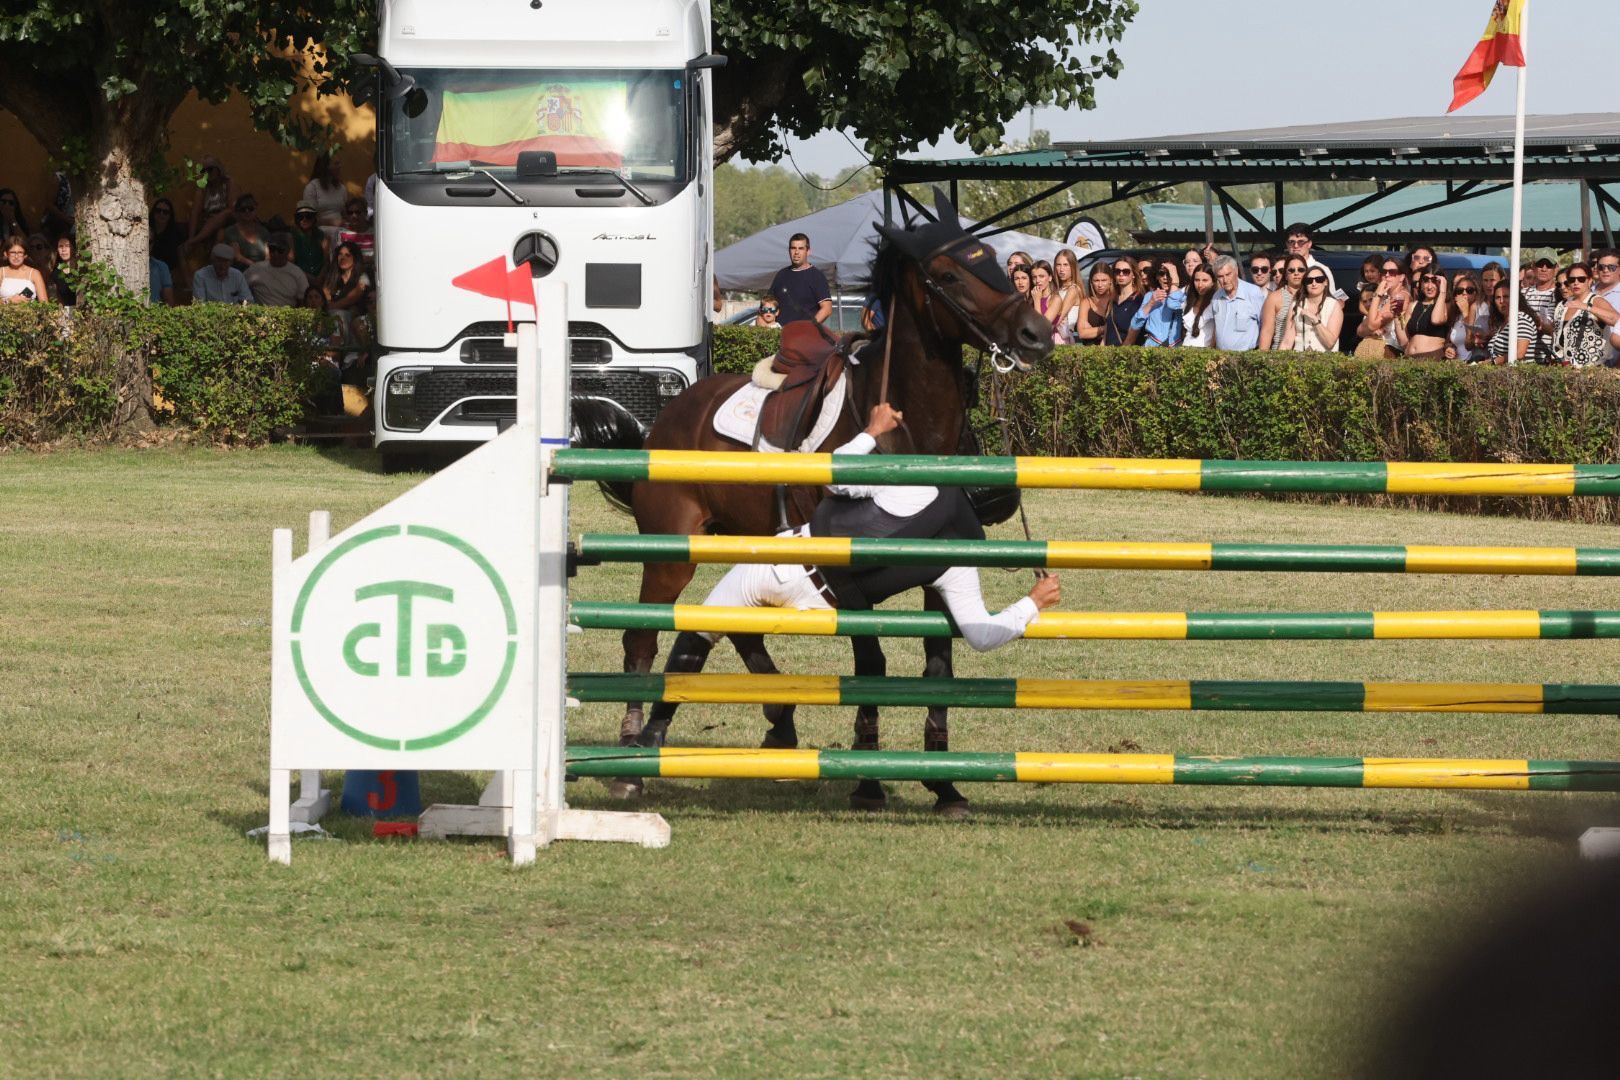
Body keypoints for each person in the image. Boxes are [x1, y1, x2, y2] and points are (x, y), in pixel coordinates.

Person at [631, 402, 1063, 751]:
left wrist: (871, 431)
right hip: (827, 605)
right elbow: (981, 635)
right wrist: (1033, 602)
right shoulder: (960, 556)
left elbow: (835, 475)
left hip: (790, 558)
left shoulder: (915, 480)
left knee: (698, 632)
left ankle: (655, 729)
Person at [1550, 263, 1616, 367]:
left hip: (1591, 371)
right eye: (1571, 280)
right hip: (1562, 369)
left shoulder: (1596, 300)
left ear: (1589, 281)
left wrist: (1587, 307)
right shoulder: (1562, 305)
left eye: (1581, 279)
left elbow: (1616, 320)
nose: (1576, 283)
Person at [767, 232, 832, 326]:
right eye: (793, 248)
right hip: (780, 334)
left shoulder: (816, 276)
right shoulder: (781, 275)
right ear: (789, 250)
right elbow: (767, 304)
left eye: (801, 248)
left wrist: (808, 328)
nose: (796, 252)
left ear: (808, 251)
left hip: (804, 336)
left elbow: (827, 309)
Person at [1280, 266, 1343, 353]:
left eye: (1319, 279)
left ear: (1325, 282)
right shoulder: (1296, 305)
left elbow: (1330, 343)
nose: (1314, 283)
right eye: (1309, 281)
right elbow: (1287, 342)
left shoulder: (1333, 305)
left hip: (1326, 361)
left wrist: (1315, 320)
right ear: (1305, 284)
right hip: (1299, 360)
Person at [1209, 255, 1266, 350]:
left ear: (1236, 272)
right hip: (1221, 357)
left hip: (1247, 357)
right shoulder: (1216, 297)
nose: (1225, 280)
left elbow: (1265, 326)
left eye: (1228, 274)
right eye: (1220, 276)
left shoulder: (1253, 293)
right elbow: (1216, 328)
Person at [1394, 268, 1453, 359]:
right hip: (1409, 358)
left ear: (1442, 283)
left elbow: (1436, 320)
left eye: (1434, 281)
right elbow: (1403, 342)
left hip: (1433, 358)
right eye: (1425, 281)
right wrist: (1396, 317)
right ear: (1420, 284)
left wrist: (1442, 292)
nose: (1429, 286)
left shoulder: (1446, 305)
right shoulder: (1413, 305)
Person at [1360, 258, 1412, 358]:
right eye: (1384, 272)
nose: (1387, 275)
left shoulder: (1401, 296)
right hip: (1374, 349)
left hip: (1390, 350)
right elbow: (1360, 330)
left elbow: (1371, 325)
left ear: (1401, 277)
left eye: (1392, 272)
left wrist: (1377, 295)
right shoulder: (1385, 297)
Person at [1128, 260, 1185, 347]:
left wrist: (1175, 283)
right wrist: (1151, 302)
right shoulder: (1150, 295)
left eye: (1169, 274)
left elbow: (1173, 304)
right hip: (1151, 347)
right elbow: (1135, 324)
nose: (1165, 277)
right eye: (1161, 273)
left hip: (1174, 348)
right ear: (1156, 276)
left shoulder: (1183, 294)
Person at [246, 233, 311, 308]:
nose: (276, 254)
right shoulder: (255, 269)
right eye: (272, 249)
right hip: (261, 316)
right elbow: (241, 289)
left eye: (280, 250)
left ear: (288, 251)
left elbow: (304, 300)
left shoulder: (297, 273)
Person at [187, 155, 235, 253]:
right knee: (220, 234)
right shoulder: (203, 186)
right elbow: (194, 213)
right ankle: (193, 241)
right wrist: (190, 236)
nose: (207, 173)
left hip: (229, 220)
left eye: (210, 169)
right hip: (209, 223)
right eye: (203, 171)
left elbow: (232, 209)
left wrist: (217, 217)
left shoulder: (229, 182)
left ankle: (195, 241)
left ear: (218, 169)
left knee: (225, 214)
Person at [1283, 223, 1343, 300]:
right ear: (1286, 244)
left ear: (1309, 244)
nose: (1296, 246)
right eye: (1291, 242)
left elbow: (1331, 299)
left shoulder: (1322, 269)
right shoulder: (1279, 268)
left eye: (1301, 242)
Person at [1485, 281, 1538, 365]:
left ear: (1515, 297)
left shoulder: (1521, 319)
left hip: (1519, 375)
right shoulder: (1504, 321)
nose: (1501, 301)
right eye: (1497, 297)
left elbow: (1519, 353)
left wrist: (1494, 362)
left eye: (1506, 296)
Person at [1260, 255, 1306, 349]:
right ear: (1285, 275)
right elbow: (1267, 332)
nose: (1296, 273)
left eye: (1300, 270)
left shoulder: (1313, 295)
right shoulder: (1274, 298)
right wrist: (1262, 360)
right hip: (1280, 355)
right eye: (1291, 270)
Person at [1340, 255, 1384, 353]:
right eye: (1366, 271)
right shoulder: (1364, 286)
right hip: (1370, 320)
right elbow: (1361, 307)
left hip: (1382, 319)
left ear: (1380, 271)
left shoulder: (1384, 287)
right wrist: (1371, 316)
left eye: (1372, 271)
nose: (1369, 274)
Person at [323, 240, 370, 329]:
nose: (342, 258)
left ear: (355, 258)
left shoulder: (363, 277)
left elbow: (351, 298)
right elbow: (325, 297)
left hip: (356, 320)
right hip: (333, 317)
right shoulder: (332, 277)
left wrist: (331, 307)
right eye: (340, 254)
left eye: (347, 255)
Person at [1445, 271, 1490, 362]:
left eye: (1469, 290)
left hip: (1475, 363)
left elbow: (1472, 342)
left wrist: (1466, 313)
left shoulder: (1482, 309)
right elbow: (1449, 341)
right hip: (1457, 364)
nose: (1464, 294)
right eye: (1460, 291)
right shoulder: (1456, 315)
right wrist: (1449, 348)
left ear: (1476, 293)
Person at [1522, 257, 1559, 362]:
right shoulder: (1522, 294)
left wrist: (1538, 324)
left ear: (1556, 268)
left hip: (1549, 359)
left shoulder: (1561, 294)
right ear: (1533, 266)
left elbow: (1559, 330)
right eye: (1540, 264)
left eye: (1549, 265)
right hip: (1523, 360)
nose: (1544, 269)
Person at [1588, 249, 1620, 364]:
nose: (1605, 270)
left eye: (1611, 267)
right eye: (1601, 267)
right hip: (1585, 363)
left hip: (1612, 365)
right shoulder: (1586, 291)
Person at [301, 153, 349, 228]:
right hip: (320, 233)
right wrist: (331, 222)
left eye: (339, 163)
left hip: (340, 231)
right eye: (336, 164)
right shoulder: (312, 188)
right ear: (326, 167)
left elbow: (345, 213)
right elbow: (308, 219)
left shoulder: (341, 188)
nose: (340, 166)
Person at [222, 194, 268, 269]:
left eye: (250, 208)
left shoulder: (263, 231)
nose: (247, 211)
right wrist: (256, 267)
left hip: (263, 270)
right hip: (241, 271)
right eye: (243, 209)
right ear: (237, 212)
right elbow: (237, 257)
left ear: (256, 209)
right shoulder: (231, 232)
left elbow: (268, 256)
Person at [1104, 256, 1142, 345]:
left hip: (1128, 354)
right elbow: (1108, 331)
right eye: (1117, 271)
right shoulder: (1112, 299)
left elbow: (1136, 331)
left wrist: (1123, 352)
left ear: (1133, 274)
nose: (1121, 274)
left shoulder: (1139, 299)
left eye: (1126, 271)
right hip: (1108, 353)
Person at [1074, 263, 1114, 345]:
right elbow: (1082, 333)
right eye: (1096, 281)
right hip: (1090, 351)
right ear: (1091, 282)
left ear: (1111, 280)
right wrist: (1105, 328)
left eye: (1104, 280)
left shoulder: (1116, 300)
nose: (1100, 285)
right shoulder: (1086, 302)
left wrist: (1092, 331)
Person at [0, 236, 48, 304]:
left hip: (30, 313)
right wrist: (9, 301)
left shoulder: (34, 273)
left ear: (25, 255)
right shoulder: (1, 272)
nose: (16, 256)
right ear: (6, 254)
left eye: (20, 252)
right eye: (13, 252)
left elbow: (45, 304)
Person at [148, 198, 188, 278]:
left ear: (170, 215)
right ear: (153, 212)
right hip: (149, 273)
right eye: (158, 210)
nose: (161, 214)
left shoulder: (176, 233)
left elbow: (181, 260)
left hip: (168, 275)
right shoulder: (145, 230)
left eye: (165, 212)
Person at [1181, 263, 1217, 347]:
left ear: (1213, 282)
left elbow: (1216, 334)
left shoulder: (1216, 302)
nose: (1200, 285)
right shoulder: (1188, 299)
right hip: (1184, 349)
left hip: (1205, 352)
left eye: (1205, 280)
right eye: (1197, 280)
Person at [290, 202, 328, 279]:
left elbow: (326, 262)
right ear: (296, 219)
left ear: (314, 218)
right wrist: (309, 277)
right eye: (300, 217)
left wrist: (319, 278)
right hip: (300, 278)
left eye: (308, 216)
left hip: (321, 278)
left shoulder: (322, 235)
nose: (304, 219)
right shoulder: (291, 237)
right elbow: (291, 264)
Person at [1051, 248, 1082, 342]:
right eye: (1058, 265)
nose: (1061, 269)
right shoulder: (1057, 289)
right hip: (1053, 335)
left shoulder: (1073, 289)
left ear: (1072, 267)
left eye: (1065, 265)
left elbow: (1059, 317)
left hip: (1063, 339)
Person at [336, 196, 375, 269]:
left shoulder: (374, 233)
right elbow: (340, 258)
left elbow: (378, 258)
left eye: (358, 212)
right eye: (350, 213)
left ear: (366, 213)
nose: (354, 216)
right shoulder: (342, 234)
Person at [1029, 260, 1063, 339]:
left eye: (1041, 276)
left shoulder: (1055, 299)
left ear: (1050, 278)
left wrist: (1037, 301)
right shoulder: (1033, 296)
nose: (1037, 281)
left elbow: (1042, 327)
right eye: (1034, 277)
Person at [50, 235, 78, 308]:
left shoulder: (81, 269)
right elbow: (58, 298)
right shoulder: (56, 273)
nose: (63, 249)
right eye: (60, 246)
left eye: (67, 246)